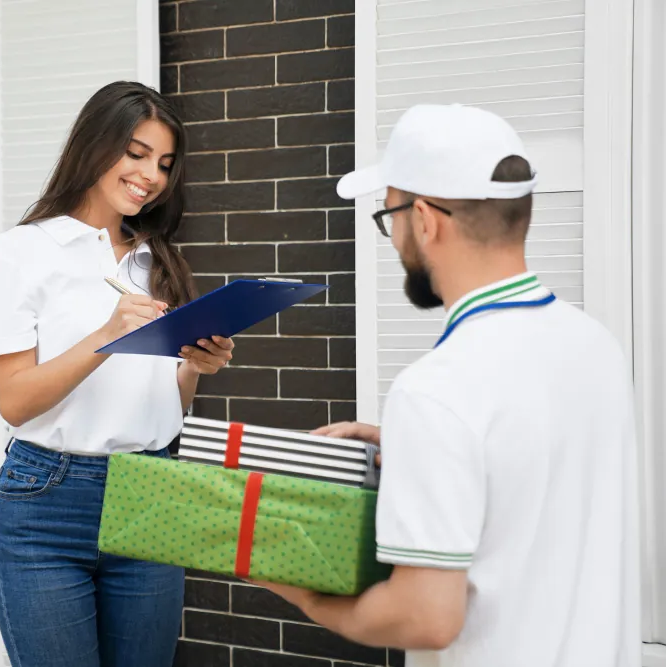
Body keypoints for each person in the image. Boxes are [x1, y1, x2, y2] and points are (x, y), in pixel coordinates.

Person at [258, 104, 640, 667]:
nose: (393, 239)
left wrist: (301, 592)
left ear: (427, 220)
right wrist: (423, 450)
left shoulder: (438, 391)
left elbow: (426, 618)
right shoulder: (597, 347)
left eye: (389, 217)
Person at [0, 81, 235, 667]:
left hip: (152, 487)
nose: (151, 175)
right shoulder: (21, 252)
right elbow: (15, 402)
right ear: (95, 146)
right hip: (48, 502)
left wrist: (195, 366)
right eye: (137, 153)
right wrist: (104, 338)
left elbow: (165, 403)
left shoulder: (162, 261)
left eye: (165, 164)